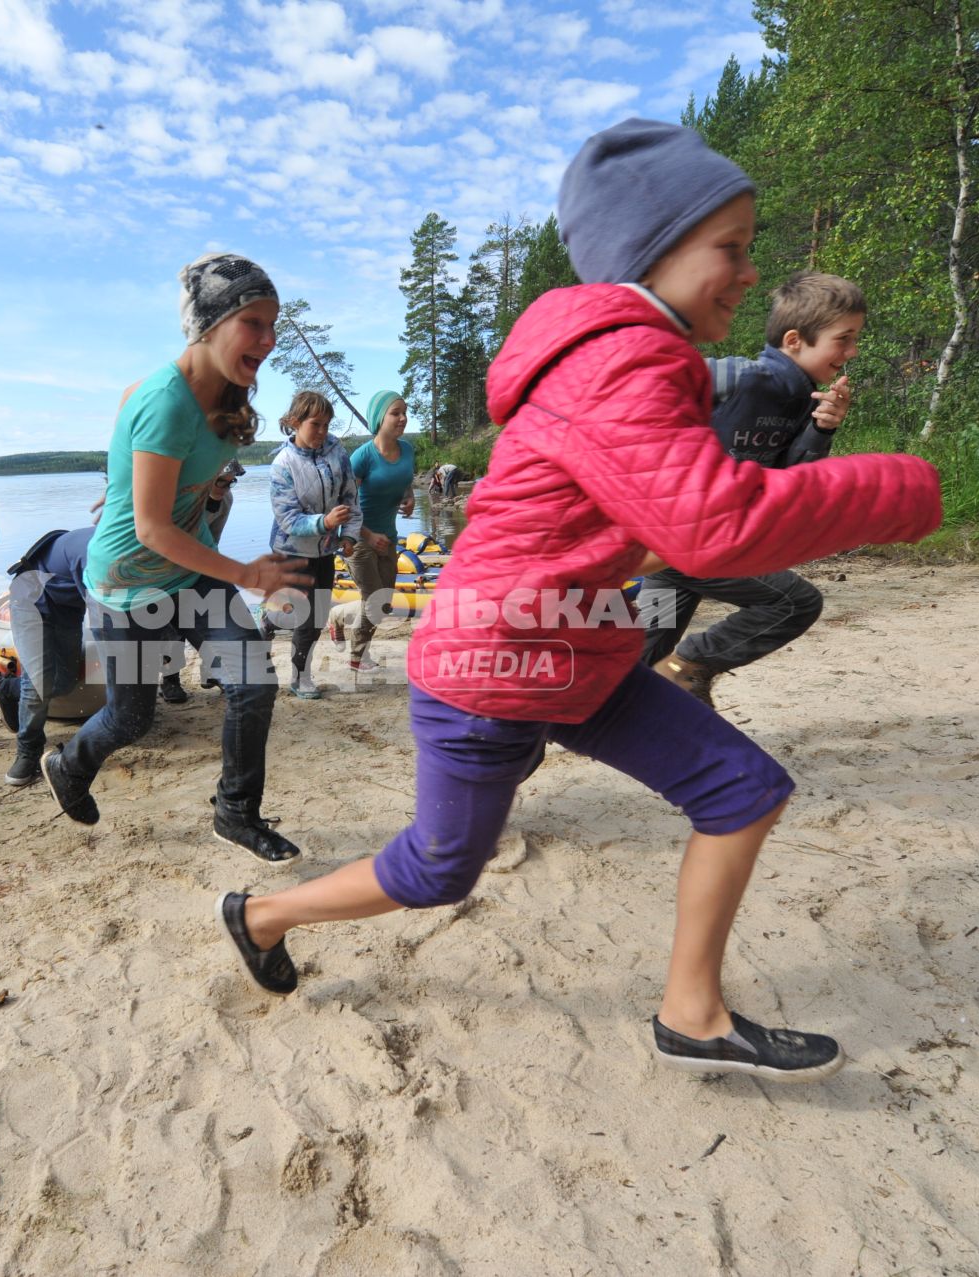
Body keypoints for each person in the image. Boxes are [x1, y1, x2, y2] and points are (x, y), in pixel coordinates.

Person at [215, 120, 941, 1082]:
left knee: (742, 790)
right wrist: (900, 490)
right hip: (489, 666)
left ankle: (694, 1012)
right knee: (439, 870)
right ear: (658, 248)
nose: (743, 271)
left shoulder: (637, 357)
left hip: (576, 659)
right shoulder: (621, 359)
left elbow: (680, 506)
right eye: (728, 246)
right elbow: (709, 527)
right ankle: (259, 913)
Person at [39, 252, 311, 862]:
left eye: (274, 326)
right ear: (210, 324)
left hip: (191, 572)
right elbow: (153, 527)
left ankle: (236, 814)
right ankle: (68, 763)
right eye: (254, 324)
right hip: (127, 587)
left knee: (253, 683)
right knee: (129, 720)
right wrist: (247, 574)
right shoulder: (164, 398)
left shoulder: (227, 392)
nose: (268, 341)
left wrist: (206, 489)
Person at [640, 271, 864, 704]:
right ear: (796, 339)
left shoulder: (804, 401)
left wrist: (820, 430)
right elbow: (650, 387)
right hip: (680, 534)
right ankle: (685, 670)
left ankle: (535, 724)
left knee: (634, 660)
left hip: (692, 544)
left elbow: (790, 480)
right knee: (794, 603)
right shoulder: (741, 377)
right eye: (844, 338)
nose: (852, 351)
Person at [0, 465, 241, 785]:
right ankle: (28, 749)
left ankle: (8, 687)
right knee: (41, 681)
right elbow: (110, 633)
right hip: (31, 596)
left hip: (65, 606)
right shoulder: (108, 558)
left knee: (63, 682)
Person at [266, 391, 361, 699]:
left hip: (324, 551)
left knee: (316, 616)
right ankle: (271, 633)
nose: (323, 431)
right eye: (315, 424)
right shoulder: (282, 464)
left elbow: (350, 499)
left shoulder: (337, 451)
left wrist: (348, 535)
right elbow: (288, 520)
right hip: (290, 552)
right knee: (298, 615)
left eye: (327, 424)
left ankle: (297, 672)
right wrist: (325, 523)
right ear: (295, 422)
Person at [345, 391, 416, 674]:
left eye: (404, 412)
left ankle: (338, 618)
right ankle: (357, 655)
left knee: (383, 601)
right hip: (359, 538)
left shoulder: (408, 450)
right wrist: (368, 535)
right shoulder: (362, 457)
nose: (402, 418)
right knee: (374, 598)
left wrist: (409, 498)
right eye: (395, 412)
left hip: (388, 536)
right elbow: (344, 504)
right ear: (379, 418)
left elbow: (406, 481)